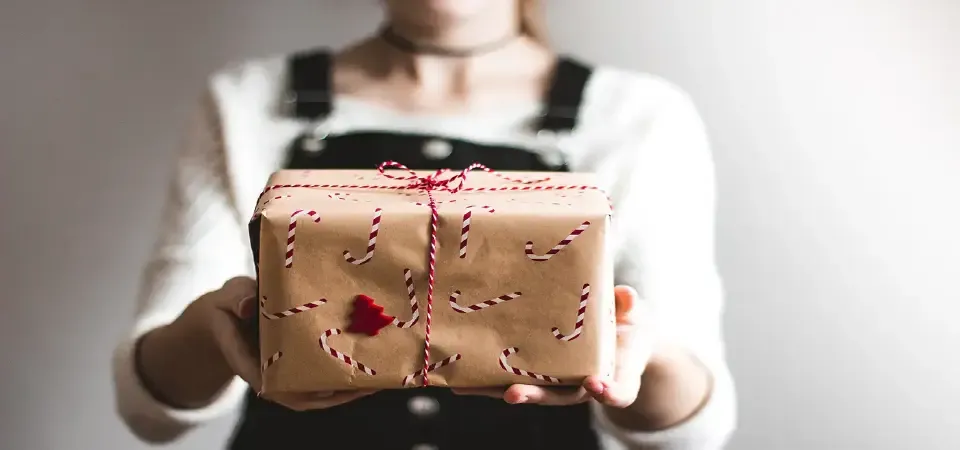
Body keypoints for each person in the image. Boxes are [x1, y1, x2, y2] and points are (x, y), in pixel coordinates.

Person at [110, 0, 737, 448]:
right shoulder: (248, 101)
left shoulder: (639, 115)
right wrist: (219, 325)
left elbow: (695, 431)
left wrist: (635, 353)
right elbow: (153, 413)